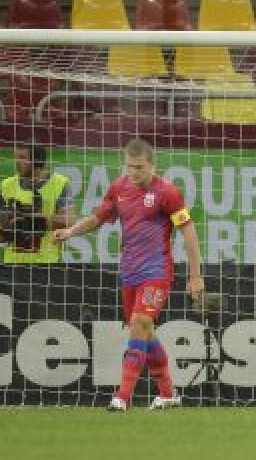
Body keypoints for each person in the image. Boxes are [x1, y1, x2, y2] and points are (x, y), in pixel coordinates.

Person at [54, 138, 204, 412]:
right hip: (130, 273)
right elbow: (98, 219)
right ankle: (168, 393)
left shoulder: (167, 192)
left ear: (152, 165)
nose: (133, 173)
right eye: (129, 167)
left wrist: (195, 276)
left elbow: (189, 233)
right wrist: (71, 231)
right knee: (144, 331)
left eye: (139, 167)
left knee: (139, 323)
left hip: (157, 271)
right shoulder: (119, 188)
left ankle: (121, 397)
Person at [0, 145, 75, 264]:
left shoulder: (59, 183)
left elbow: (68, 220)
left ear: (37, 160)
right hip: (12, 263)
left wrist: (33, 221)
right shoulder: (8, 184)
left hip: (46, 263)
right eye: (16, 157)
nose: (17, 162)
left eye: (22, 157)